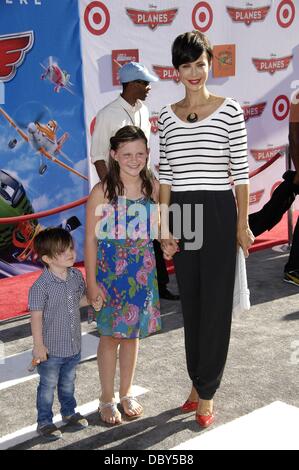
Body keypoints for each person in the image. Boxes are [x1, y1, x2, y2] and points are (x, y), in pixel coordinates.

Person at [159, 31, 254, 428]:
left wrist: (242, 223)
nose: (194, 72)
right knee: (193, 304)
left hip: (216, 210)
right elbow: (164, 177)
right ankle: (196, 381)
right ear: (176, 70)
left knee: (216, 305)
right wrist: (163, 227)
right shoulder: (165, 116)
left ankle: (208, 391)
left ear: (210, 62)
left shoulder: (230, 110)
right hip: (182, 211)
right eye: (186, 65)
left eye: (200, 63)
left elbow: (242, 176)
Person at [85, 126, 161, 425]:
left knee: (131, 336)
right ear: (114, 155)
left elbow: (163, 223)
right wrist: (91, 283)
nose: (134, 159)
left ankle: (126, 392)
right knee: (110, 338)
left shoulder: (152, 187)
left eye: (140, 153)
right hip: (109, 276)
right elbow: (90, 241)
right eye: (127, 154)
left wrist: (166, 238)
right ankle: (106, 398)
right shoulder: (102, 191)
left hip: (141, 273)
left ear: (147, 155)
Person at [90, 61, 179, 301]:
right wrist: (112, 191)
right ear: (132, 84)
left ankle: (158, 285)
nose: (149, 87)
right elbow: (99, 156)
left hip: (145, 182)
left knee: (154, 229)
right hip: (118, 190)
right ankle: (117, 290)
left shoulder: (143, 110)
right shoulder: (107, 114)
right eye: (145, 83)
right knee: (121, 240)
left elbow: (145, 154)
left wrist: (151, 182)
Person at [28, 227, 102, 440]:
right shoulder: (40, 286)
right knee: (48, 386)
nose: (70, 252)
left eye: (70, 247)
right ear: (47, 259)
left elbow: (77, 302)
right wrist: (38, 346)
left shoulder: (76, 276)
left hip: (72, 346)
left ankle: (69, 413)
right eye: (62, 251)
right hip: (50, 350)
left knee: (68, 382)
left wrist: (90, 301)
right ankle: (44, 422)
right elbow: (36, 317)